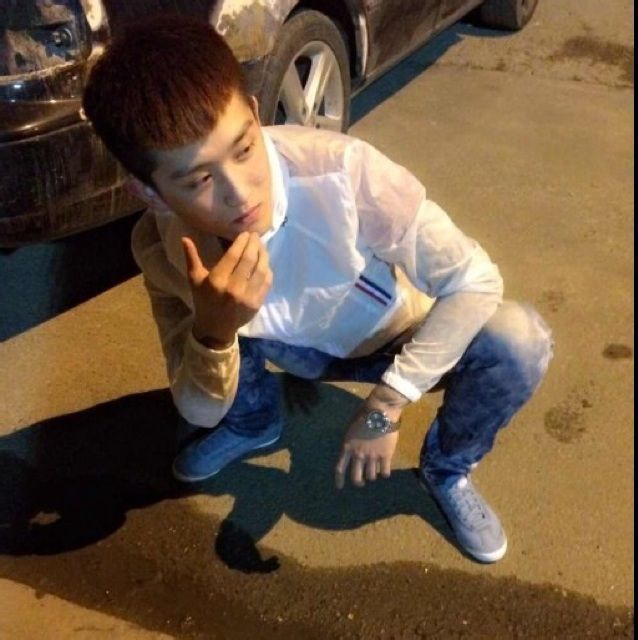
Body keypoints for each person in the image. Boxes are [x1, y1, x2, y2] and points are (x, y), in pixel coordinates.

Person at [82, 13, 552, 564]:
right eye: (199, 180)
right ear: (150, 193)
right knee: (223, 313)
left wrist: (387, 403)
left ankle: (446, 468)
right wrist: (213, 330)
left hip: (387, 335)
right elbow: (198, 407)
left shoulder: (345, 172)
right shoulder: (161, 246)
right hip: (288, 347)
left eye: (243, 149)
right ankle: (254, 423)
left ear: (255, 113)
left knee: (519, 340)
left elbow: (475, 280)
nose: (241, 195)